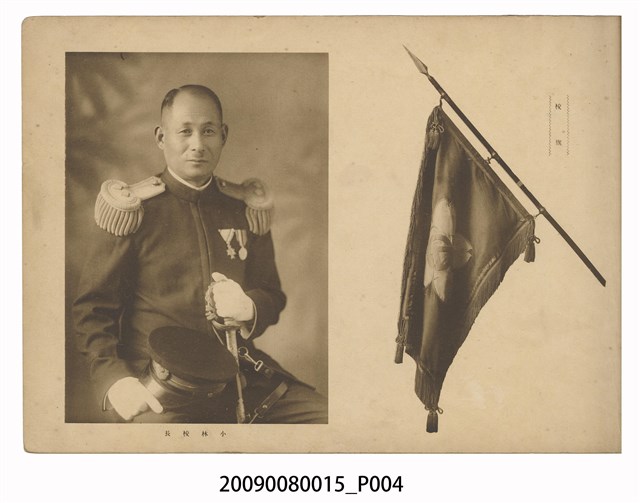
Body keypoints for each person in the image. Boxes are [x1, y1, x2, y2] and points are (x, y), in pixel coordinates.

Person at [72, 84, 327, 424]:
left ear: (223, 136)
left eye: (208, 131)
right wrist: (114, 379)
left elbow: (271, 293)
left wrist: (249, 307)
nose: (197, 144)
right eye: (185, 131)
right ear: (161, 137)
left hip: (240, 376)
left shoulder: (243, 208)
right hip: (162, 385)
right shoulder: (133, 211)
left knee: (326, 419)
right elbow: (92, 310)